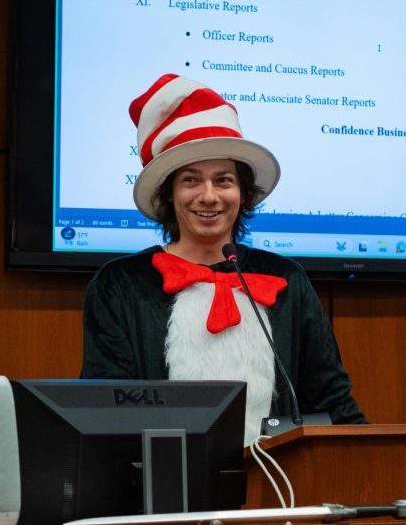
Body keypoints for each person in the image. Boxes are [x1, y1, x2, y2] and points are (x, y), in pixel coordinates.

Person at [81, 73, 366, 444]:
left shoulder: (286, 279)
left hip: (280, 488)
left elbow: (333, 402)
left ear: (243, 193)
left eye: (224, 180)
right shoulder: (120, 284)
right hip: (162, 490)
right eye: (191, 180)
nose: (209, 196)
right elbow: (108, 410)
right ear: (168, 194)